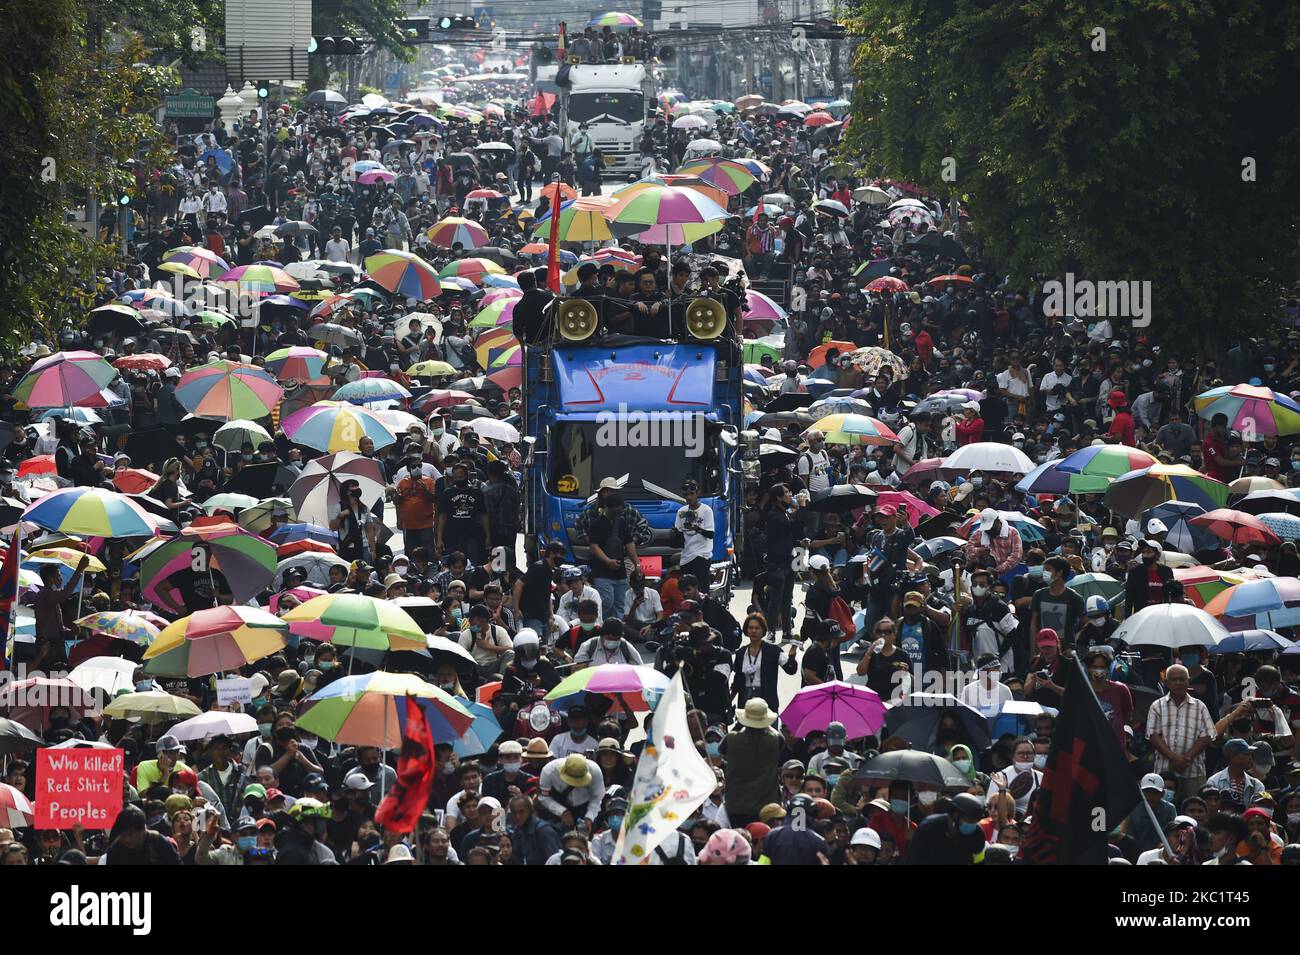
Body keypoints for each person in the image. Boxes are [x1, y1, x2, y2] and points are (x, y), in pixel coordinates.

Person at [1148, 663, 1217, 803]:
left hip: (1193, 771)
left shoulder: (1200, 706)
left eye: (1182, 679)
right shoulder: (1157, 706)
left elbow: (1207, 736)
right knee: (1163, 809)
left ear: (1188, 681)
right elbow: (1153, 736)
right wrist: (1174, 758)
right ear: (1166, 682)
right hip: (1164, 770)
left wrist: (1187, 757)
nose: (1178, 683)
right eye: (1174, 679)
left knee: (1195, 810)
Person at [720, 699, 783, 828]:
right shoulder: (777, 740)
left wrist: (740, 724)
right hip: (767, 805)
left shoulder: (731, 739)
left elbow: (721, 750)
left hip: (737, 805)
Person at [731, 613, 798, 712]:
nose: (753, 631)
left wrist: (792, 656)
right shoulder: (741, 653)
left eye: (757, 628)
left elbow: (791, 669)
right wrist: (729, 700)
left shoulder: (774, 651)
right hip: (745, 704)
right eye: (750, 628)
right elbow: (738, 681)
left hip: (767, 705)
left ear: (763, 630)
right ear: (746, 630)